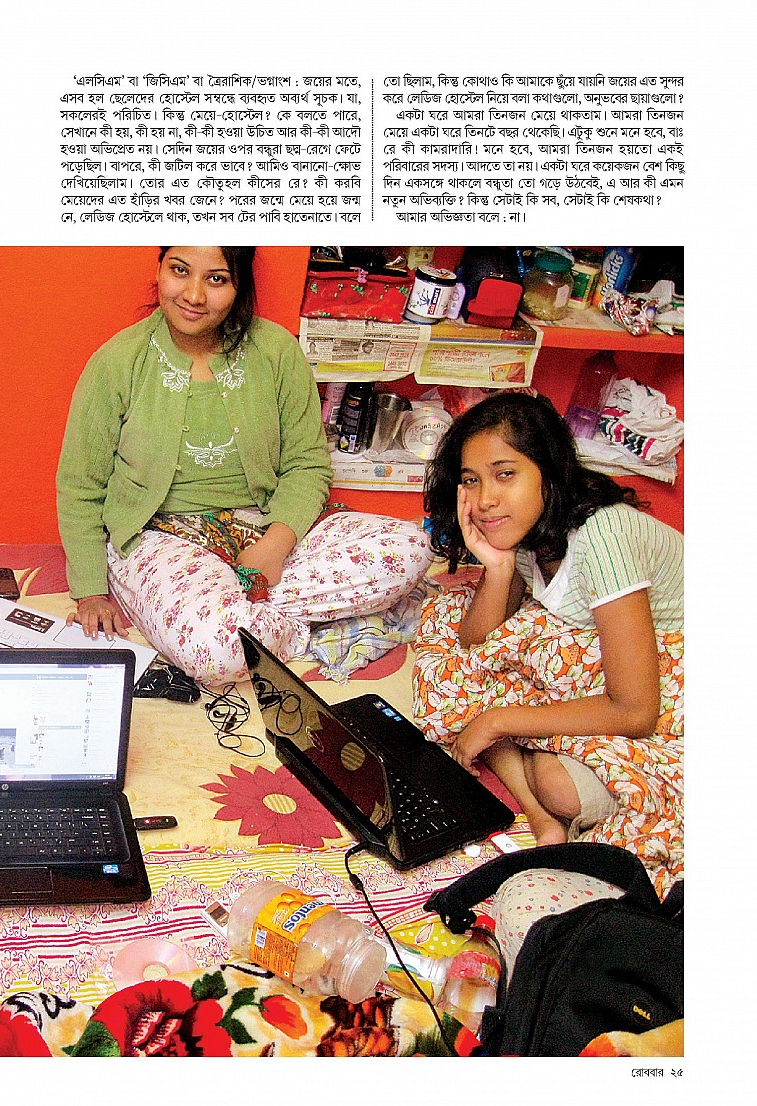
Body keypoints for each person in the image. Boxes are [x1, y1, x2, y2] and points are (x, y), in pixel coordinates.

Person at [57, 246, 432, 684]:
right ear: (159, 270)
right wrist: (90, 592)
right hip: (160, 537)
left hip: (264, 524)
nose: (194, 295)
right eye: (180, 271)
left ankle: (246, 618)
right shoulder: (118, 362)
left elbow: (307, 464)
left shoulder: (275, 351)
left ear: (239, 286)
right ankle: (292, 625)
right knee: (216, 650)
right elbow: (81, 486)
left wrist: (273, 548)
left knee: (412, 548)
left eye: (216, 279)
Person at [413, 391, 683, 883]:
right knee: (447, 639)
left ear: (550, 472)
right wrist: (497, 568)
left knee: (557, 783)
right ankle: (540, 819)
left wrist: (497, 720)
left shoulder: (605, 534)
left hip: (669, 677)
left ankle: (536, 779)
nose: (485, 499)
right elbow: (475, 644)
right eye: (471, 480)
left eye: (505, 474)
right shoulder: (528, 528)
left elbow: (636, 709)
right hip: (594, 654)